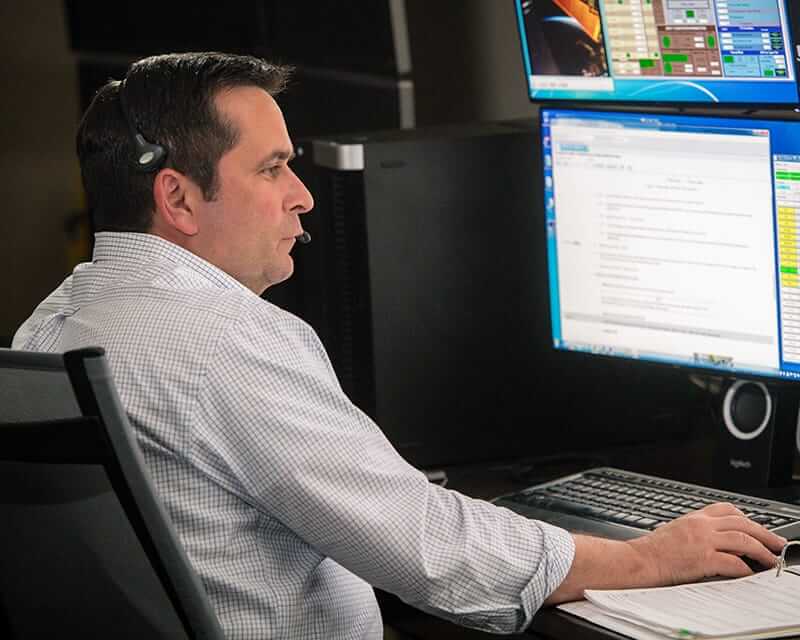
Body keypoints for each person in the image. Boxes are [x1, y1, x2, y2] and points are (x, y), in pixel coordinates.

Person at [14, 52, 786, 639]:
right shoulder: (222, 339)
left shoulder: (51, 325)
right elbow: (431, 551)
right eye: (273, 167)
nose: (304, 194)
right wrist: (650, 558)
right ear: (177, 197)